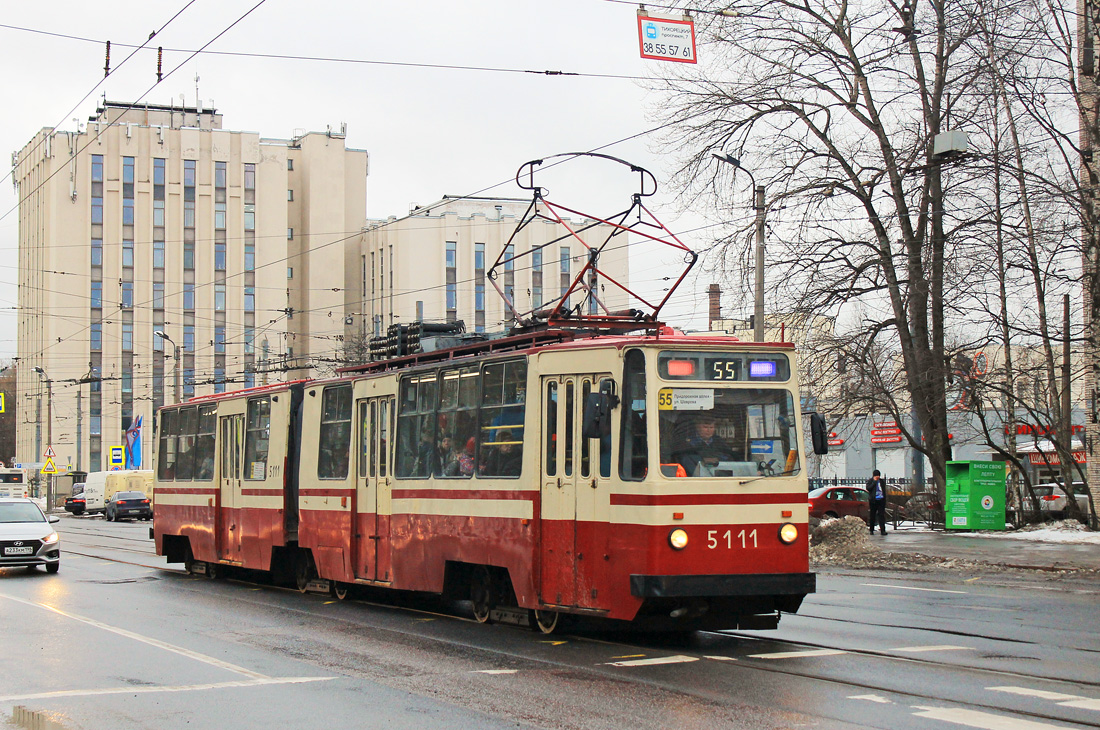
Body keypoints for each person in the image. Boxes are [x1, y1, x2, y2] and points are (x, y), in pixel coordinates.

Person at [866, 469, 887, 535]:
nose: (877, 477)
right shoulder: (870, 481)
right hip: (873, 501)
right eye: (876, 476)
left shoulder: (881, 481)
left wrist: (884, 499)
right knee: (872, 515)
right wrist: (874, 482)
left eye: (878, 476)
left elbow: (884, 490)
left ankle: (883, 530)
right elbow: (868, 488)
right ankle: (871, 530)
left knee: (881, 515)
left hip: (881, 500)